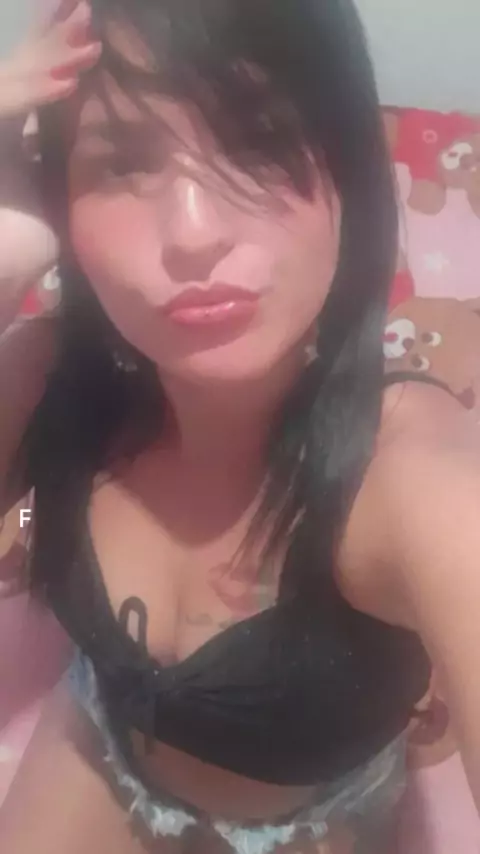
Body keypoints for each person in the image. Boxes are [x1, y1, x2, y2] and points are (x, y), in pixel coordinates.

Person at [1, 1, 480, 852]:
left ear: (350, 176)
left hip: (319, 812)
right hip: (103, 742)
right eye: (122, 162)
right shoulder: (50, 376)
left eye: (259, 142)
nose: (193, 233)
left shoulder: (408, 469)